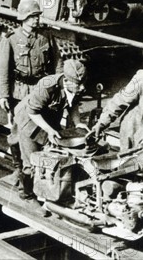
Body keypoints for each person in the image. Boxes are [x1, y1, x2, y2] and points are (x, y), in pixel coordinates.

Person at [0, 0, 59, 188]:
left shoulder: (46, 37)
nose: (35, 20)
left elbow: (57, 63)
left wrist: (56, 87)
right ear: (23, 19)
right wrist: (3, 95)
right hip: (20, 92)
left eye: (37, 16)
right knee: (18, 131)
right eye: (32, 17)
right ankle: (19, 167)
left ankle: (36, 168)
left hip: (40, 91)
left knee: (38, 129)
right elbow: (2, 69)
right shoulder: (11, 39)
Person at [14, 59, 87, 203]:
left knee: (53, 156)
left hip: (49, 122)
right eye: (78, 84)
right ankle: (27, 195)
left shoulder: (76, 86)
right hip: (29, 122)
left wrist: (79, 123)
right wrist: (49, 130)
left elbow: (73, 105)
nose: (82, 87)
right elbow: (32, 111)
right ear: (66, 80)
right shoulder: (47, 85)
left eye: (83, 83)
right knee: (31, 162)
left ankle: (52, 190)